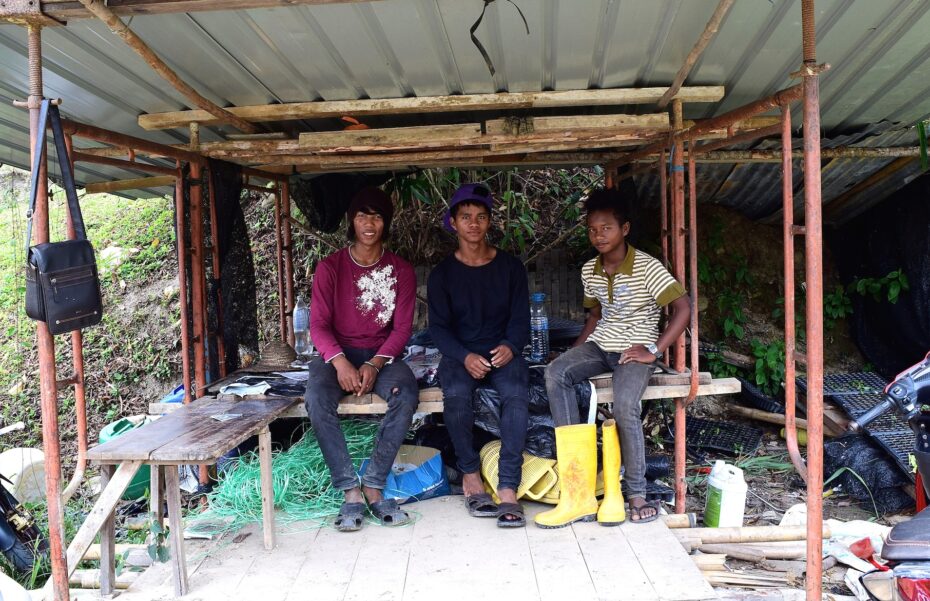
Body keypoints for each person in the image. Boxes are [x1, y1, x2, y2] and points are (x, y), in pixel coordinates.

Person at [538, 188, 691, 528]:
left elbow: (683, 308)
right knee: (555, 373)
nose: (598, 235)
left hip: (636, 350)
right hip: (601, 345)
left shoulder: (647, 268)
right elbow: (593, 318)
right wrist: (573, 351)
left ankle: (635, 493)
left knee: (624, 406)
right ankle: (576, 486)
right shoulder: (589, 269)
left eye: (606, 228)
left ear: (624, 229)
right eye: (592, 229)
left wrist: (654, 349)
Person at [305, 186, 418, 532]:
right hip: (337, 353)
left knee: (407, 394)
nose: (369, 223)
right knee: (316, 397)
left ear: (387, 223)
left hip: (380, 355)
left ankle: (374, 483)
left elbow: (401, 329)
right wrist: (340, 362)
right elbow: (318, 325)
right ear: (351, 221)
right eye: (362, 216)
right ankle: (349, 490)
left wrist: (375, 364)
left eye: (378, 216)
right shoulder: (330, 268)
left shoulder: (400, 270)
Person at [427, 183, 531, 528]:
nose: (474, 223)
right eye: (466, 217)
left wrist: (511, 346)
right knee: (456, 396)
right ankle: (471, 474)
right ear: (453, 222)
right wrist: (464, 355)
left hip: (502, 352)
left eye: (481, 217)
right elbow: (439, 329)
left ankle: (507, 486)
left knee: (516, 395)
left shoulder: (511, 268)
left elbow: (521, 322)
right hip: (460, 354)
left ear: (489, 223)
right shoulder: (442, 275)